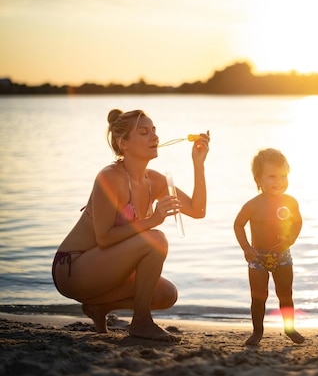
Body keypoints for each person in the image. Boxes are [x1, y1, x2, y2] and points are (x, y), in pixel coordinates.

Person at [52, 109, 210, 342]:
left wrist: (198, 164)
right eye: (144, 132)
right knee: (156, 238)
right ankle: (141, 322)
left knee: (167, 294)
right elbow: (104, 238)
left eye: (154, 131)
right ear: (123, 143)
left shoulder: (154, 180)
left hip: (106, 269)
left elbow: (198, 211)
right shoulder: (109, 177)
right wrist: (153, 220)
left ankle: (100, 307)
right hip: (73, 268)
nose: (154, 137)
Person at [234, 148, 305, 345]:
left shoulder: (290, 202)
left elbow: (298, 223)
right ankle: (257, 332)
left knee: (285, 294)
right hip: (257, 257)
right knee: (259, 297)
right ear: (258, 180)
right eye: (272, 176)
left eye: (283, 176)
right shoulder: (253, 205)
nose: (279, 181)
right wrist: (246, 248)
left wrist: (289, 240)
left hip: (282, 255)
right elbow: (238, 224)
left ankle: (290, 329)